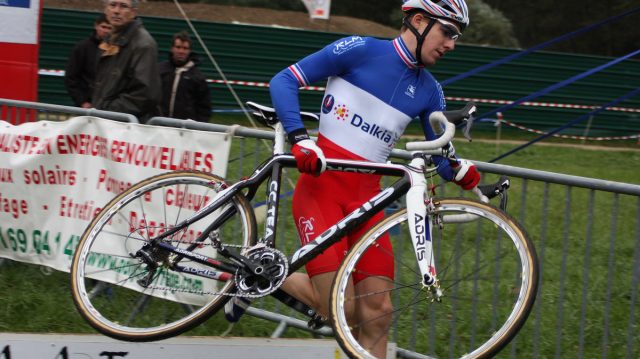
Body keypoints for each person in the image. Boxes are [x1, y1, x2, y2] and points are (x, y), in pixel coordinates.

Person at [226, 0, 481, 357]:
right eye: (448, 32)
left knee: (378, 314)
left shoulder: (430, 90)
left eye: (456, 36)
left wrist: (466, 174)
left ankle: (261, 279)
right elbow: (284, 80)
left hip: (366, 204)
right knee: (342, 309)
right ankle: (254, 274)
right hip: (322, 192)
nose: (452, 44)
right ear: (419, 21)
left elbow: (441, 157)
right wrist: (301, 139)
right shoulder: (359, 49)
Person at [92, 0, 162, 122]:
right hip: (107, 122)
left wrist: (107, 112)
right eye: (113, 5)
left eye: (123, 6)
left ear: (133, 12)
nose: (116, 11)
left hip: (127, 128)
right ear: (105, 9)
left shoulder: (144, 45)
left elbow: (145, 94)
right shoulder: (109, 40)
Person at [159, 31, 212, 122]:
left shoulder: (197, 77)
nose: (181, 51)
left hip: (185, 129)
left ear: (189, 51)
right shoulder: (160, 70)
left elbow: (204, 107)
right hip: (159, 124)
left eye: (185, 48)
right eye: (178, 47)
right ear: (172, 48)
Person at [64, 14, 112, 109]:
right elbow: (71, 77)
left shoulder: (118, 49)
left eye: (109, 28)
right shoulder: (82, 48)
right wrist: (82, 102)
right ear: (96, 26)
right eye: (103, 27)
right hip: (87, 106)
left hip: (109, 106)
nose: (106, 31)